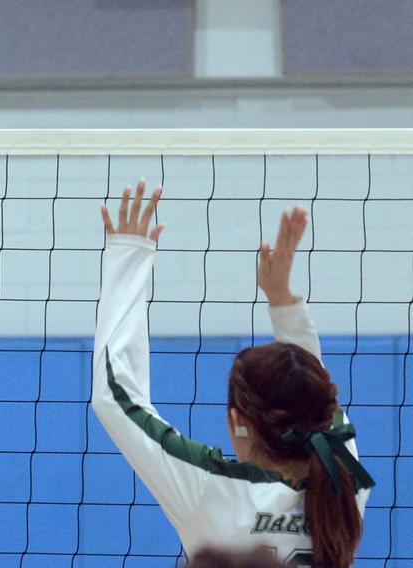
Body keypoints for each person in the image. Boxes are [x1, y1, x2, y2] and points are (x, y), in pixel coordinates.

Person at [91, 181, 375, 567]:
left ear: (237, 422)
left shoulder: (213, 491)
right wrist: (284, 303)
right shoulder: (346, 484)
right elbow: (317, 398)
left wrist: (129, 256)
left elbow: (115, 395)